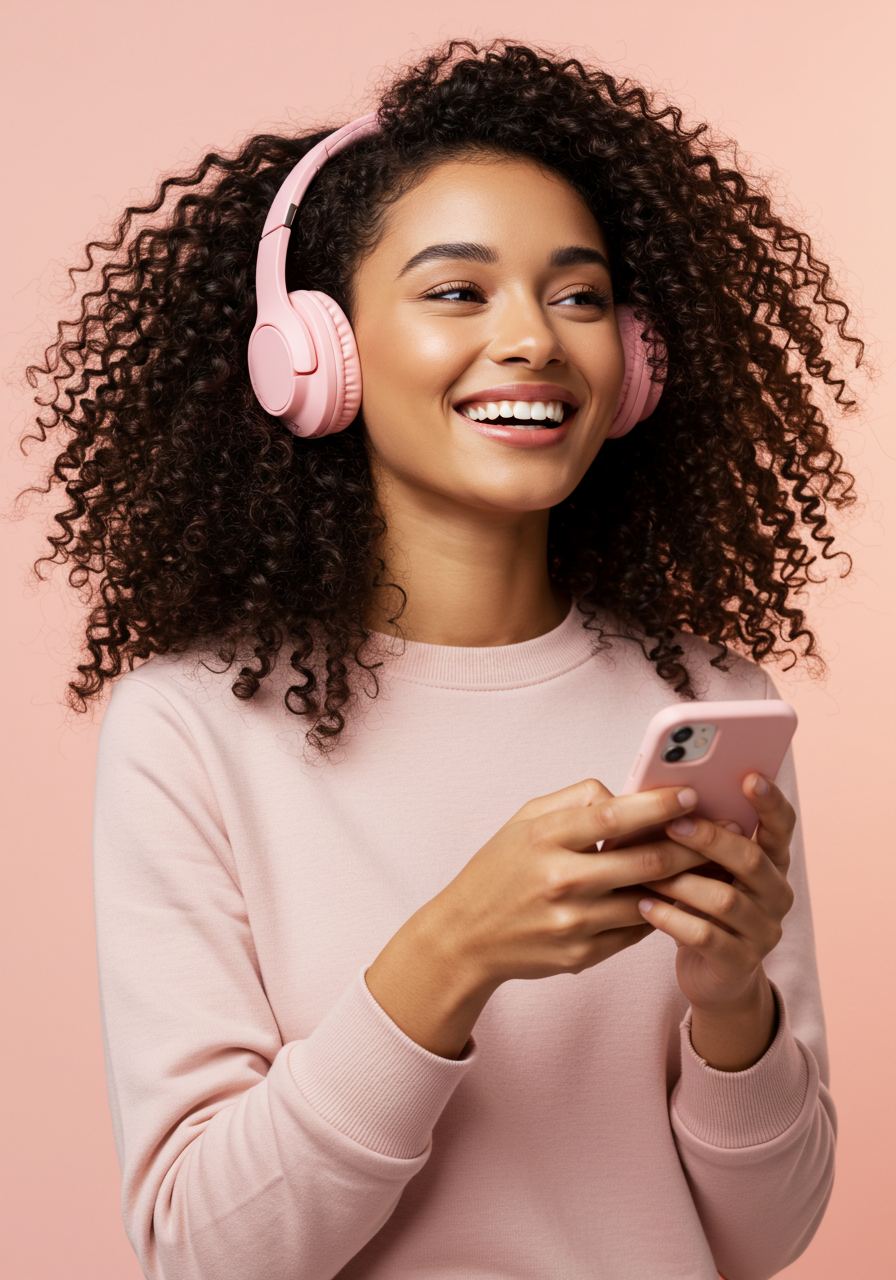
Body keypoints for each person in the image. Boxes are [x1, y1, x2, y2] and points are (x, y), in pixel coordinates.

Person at [24, 37, 861, 1280]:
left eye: (576, 295)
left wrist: (732, 1000)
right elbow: (205, 1251)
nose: (532, 338)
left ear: (633, 365)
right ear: (314, 353)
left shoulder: (710, 703)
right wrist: (453, 949)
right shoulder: (191, 729)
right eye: (458, 292)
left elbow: (763, 1236)